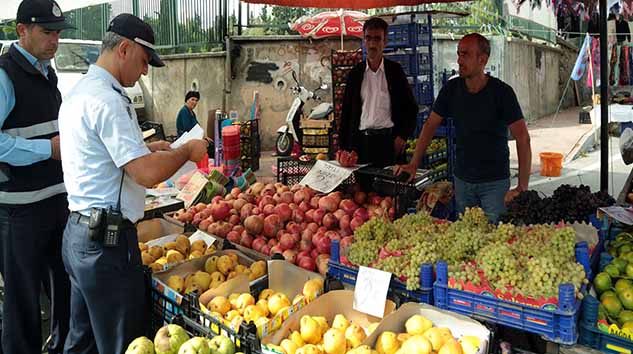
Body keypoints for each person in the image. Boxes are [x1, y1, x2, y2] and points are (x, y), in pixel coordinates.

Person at [58, 14, 208, 353]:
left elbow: (100, 154)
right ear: (123, 49)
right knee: (123, 343)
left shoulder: (82, 90)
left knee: (82, 339)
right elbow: (145, 173)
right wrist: (186, 151)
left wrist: (146, 148)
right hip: (106, 245)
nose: (144, 72)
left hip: (79, 235)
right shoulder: (108, 99)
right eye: (143, 62)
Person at [0, 0, 74, 353]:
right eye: (47, 32)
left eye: (58, 33)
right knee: (23, 304)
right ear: (22, 31)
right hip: (18, 213)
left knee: (64, 289)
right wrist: (49, 150)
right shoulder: (4, 74)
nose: (55, 40)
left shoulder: (48, 72)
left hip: (56, 203)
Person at [396, 33, 532, 223]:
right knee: (465, 238)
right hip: (462, 182)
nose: (459, 60)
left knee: (495, 239)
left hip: (494, 184)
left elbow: (523, 138)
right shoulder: (451, 90)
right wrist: (414, 164)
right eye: (459, 54)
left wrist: (522, 187)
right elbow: (430, 126)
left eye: (465, 54)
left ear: (482, 60)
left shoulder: (502, 93)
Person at [339, 17, 418, 168]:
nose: (372, 44)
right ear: (364, 40)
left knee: (389, 189)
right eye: (368, 38)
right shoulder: (355, 74)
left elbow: (411, 108)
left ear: (385, 41)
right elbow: (346, 113)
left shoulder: (395, 72)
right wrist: (343, 149)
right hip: (360, 145)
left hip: (389, 143)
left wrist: (402, 136)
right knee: (362, 190)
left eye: (377, 39)